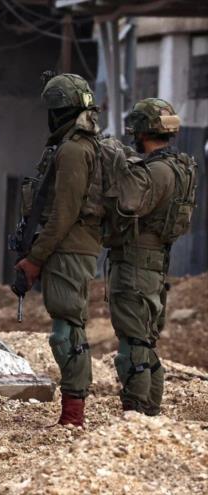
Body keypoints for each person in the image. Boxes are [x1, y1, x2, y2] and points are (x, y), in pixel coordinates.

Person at [14, 73, 102, 427]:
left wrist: (35, 258)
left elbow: (63, 213)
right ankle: (72, 412)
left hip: (70, 250)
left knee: (67, 331)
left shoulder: (74, 150)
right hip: (68, 249)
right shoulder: (72, 146)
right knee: (67, 327)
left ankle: (73, 415)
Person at [106, 98, 196, 415]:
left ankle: (137, 413)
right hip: (156, 264)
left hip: (135, 265)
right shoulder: (179, 167)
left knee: (133, 346)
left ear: (142, 130)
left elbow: (129, 204)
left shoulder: (154, 172)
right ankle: (150, 414)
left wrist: (117, 161)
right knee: (144, 342)